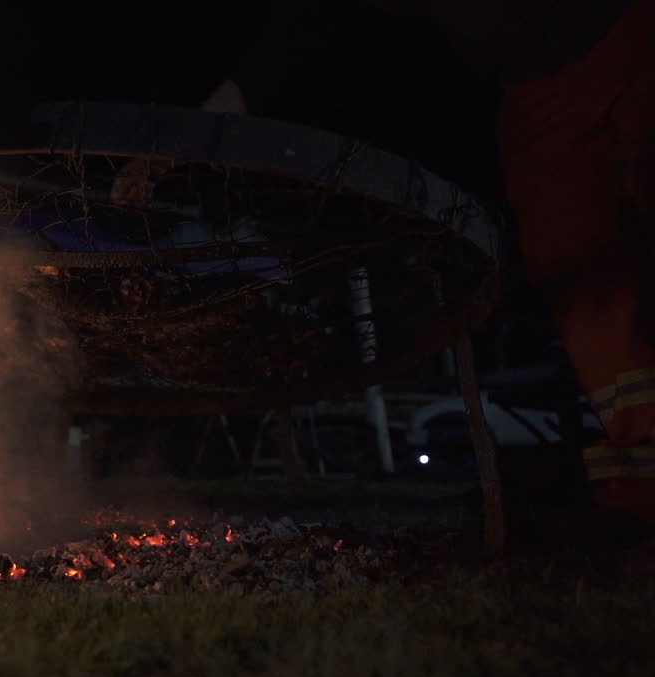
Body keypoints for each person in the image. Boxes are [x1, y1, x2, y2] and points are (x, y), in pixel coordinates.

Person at [114, 0, 655, 535]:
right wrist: (183, 144)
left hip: (629, 36)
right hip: (539, 97)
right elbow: (293, 38)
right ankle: (643, 485)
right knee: (581, 279)